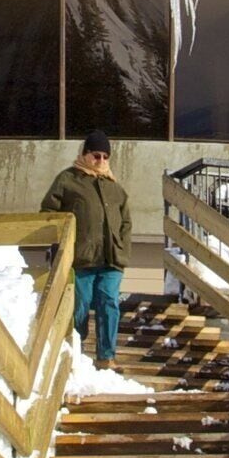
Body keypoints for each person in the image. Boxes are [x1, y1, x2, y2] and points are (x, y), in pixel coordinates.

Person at [43, 132, 132, 366]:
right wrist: (62, 243)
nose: (101, 161)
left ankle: (106, 356)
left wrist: (122, 248)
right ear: (84, 154)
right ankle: (75, 355)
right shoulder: (67, 180)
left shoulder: (116, 189)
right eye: (96, 155)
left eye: (105, 157)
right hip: (80, 259)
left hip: (111, 260)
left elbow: (126, 223)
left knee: (109, 303)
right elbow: (48, 213)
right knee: (80, 305)